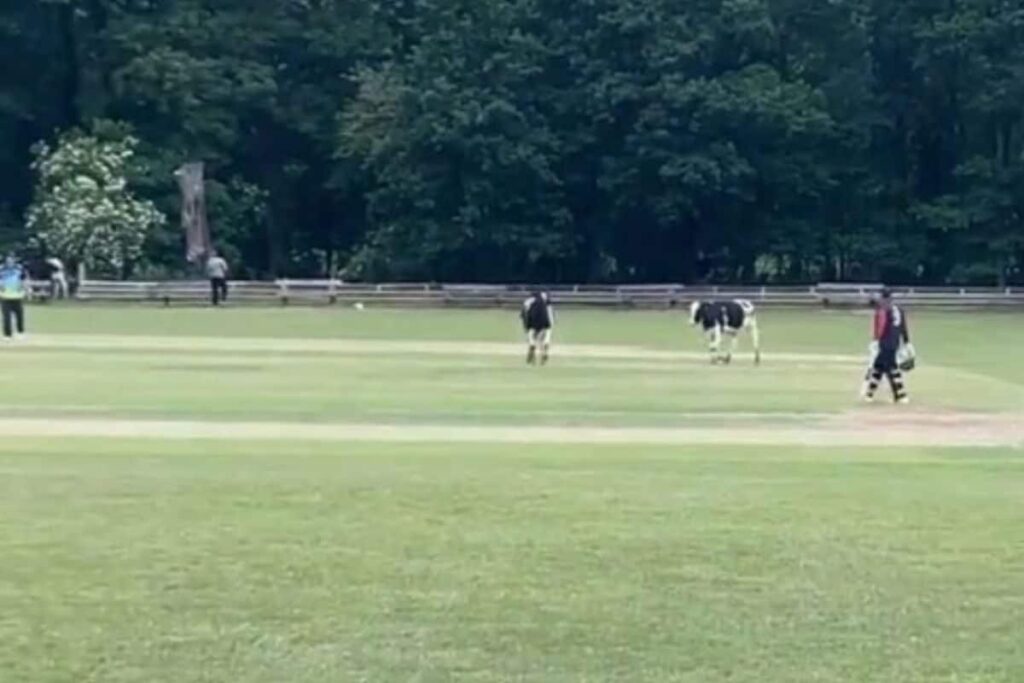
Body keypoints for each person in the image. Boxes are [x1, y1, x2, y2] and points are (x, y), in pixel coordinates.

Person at [861, 288, 913, 404]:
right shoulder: (899, 310)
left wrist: (876, 340)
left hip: (885, 343)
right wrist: (907, 342)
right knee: (880, 367)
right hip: (894, 343)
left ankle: (901, 396)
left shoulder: (884, 310)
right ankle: (871, 394)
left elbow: (881, 326)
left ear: (884, 298)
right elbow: (903, 327)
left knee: (891, 369)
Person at [689, 299, 761, 365]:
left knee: (741, 334)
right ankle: (725, 357)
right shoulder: (709, 317)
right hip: (726, 322)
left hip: (743, 314)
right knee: (733, 336)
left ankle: (756, 352)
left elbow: (718, 335)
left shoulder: (713, 316)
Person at [521, 291, 554, 365]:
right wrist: (551, 324)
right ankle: (546, 343)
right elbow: (550, 312)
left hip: (533, 319)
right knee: (547, 332)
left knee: (531, 334)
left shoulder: (528, 300)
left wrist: (526, 327)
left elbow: (524, 314)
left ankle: (532, 344)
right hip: (545, 319)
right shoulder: (546, 299)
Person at [0, 255, 28, 340]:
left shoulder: (19, 269)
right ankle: (7, 334)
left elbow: (24, 279)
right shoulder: (1, 269)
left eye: (11, 260)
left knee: (19, 315)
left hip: (17, 296)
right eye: (8, 260)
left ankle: (20, 332)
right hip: (5, 296)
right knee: (6, 317)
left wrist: (24, 287)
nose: (10, 262)